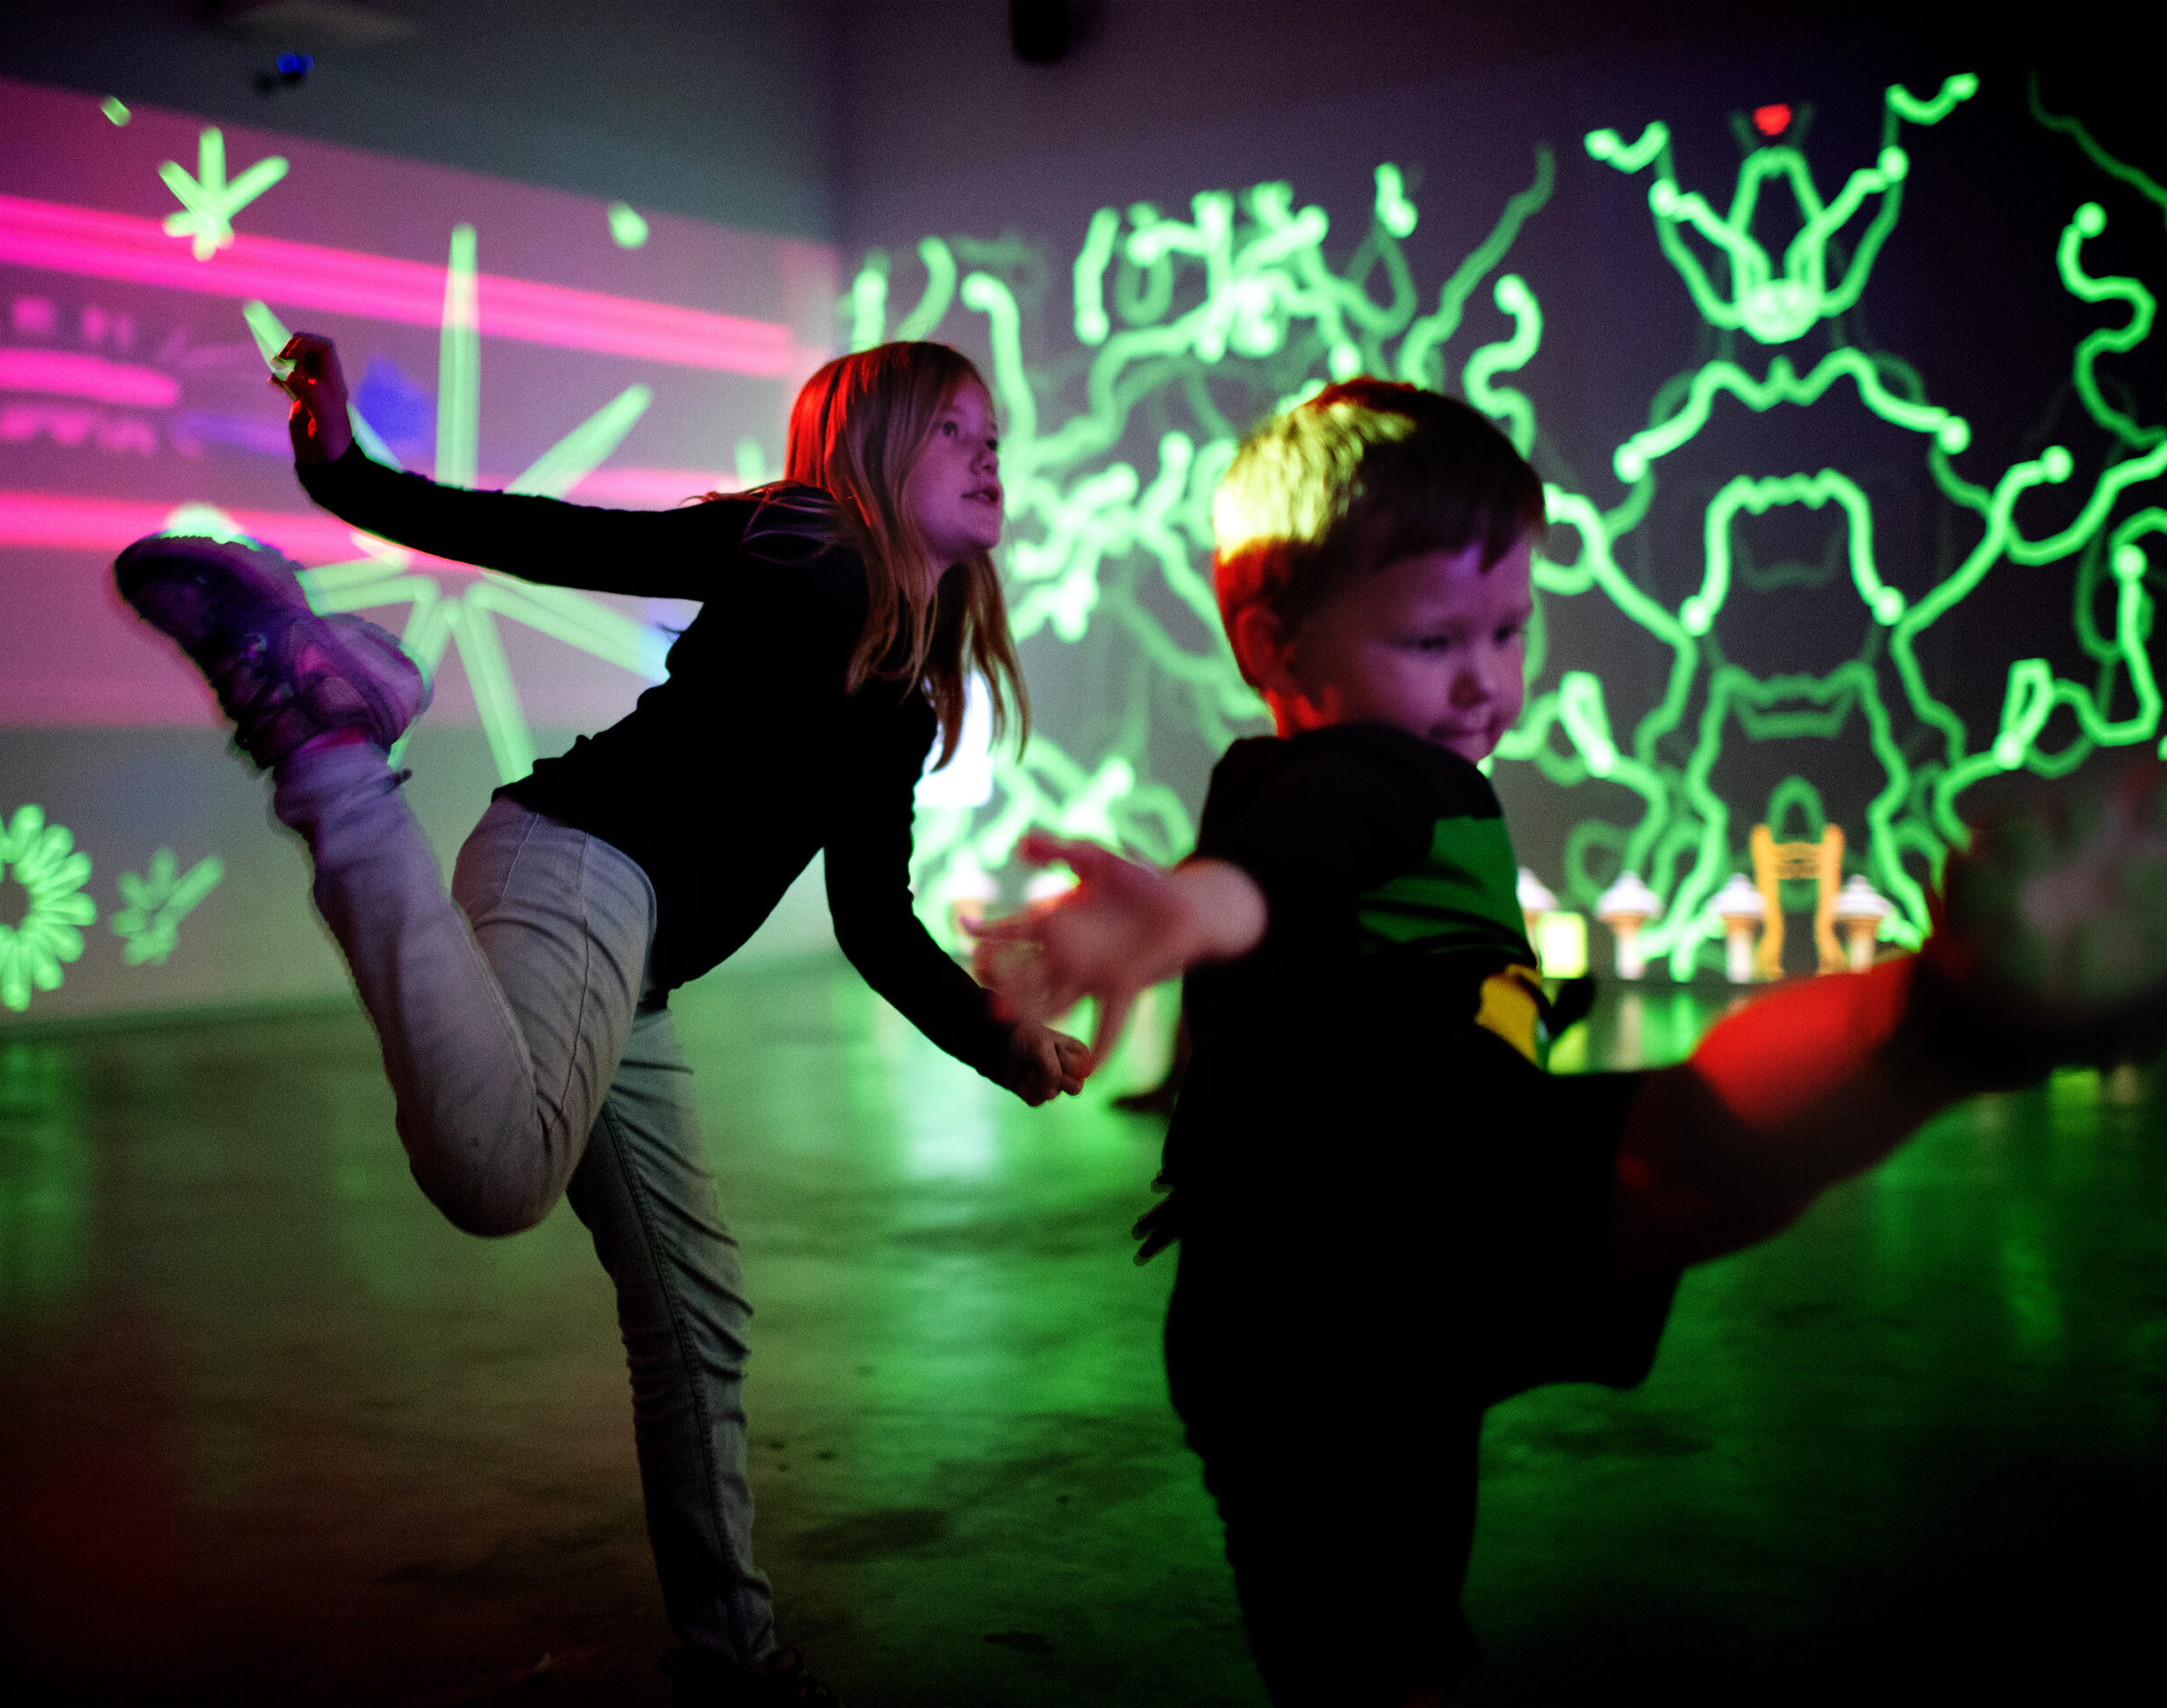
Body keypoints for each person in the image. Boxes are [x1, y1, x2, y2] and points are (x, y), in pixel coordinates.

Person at [970, 379, 2167, 1706]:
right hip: (1349, 1255)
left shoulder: (1397, 783)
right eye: (1434, 639)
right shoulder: (1354, 780)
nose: (1487, 677)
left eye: (1510, 628)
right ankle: (1951, 1014)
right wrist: (1179, 912)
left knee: (1388, 1631)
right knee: (1673, 1159)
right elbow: (1276, 869)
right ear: (1274, 643)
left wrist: (1507, 1006)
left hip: (1351, 1265)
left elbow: (1345, 938)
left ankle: (1951, 1019)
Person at [112, 336, 1093, 1708]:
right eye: (952, 430)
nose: (990, 453)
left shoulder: (896, 694)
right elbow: (559, 538)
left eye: (995, 430)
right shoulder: (804, 544)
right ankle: (336, 756)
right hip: (576, 866)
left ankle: (733, 1661)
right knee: (498, 1172)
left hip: (623, 954)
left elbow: (875, 926)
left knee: (694, 1317)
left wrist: (1006, 1042)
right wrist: (344, 475)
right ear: (868, 453)